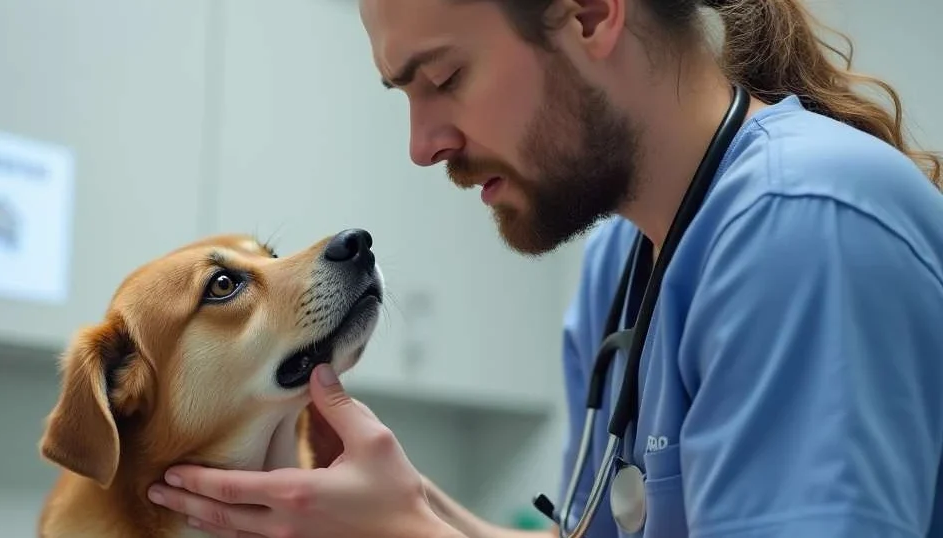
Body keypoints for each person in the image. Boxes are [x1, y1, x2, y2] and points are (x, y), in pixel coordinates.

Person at [146, 0, 943, 536]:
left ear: (592, 13)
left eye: (445, 78)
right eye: (404, 94)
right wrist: (412, 506)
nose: (423, 145)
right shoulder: (619, 271)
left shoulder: (804, 226)